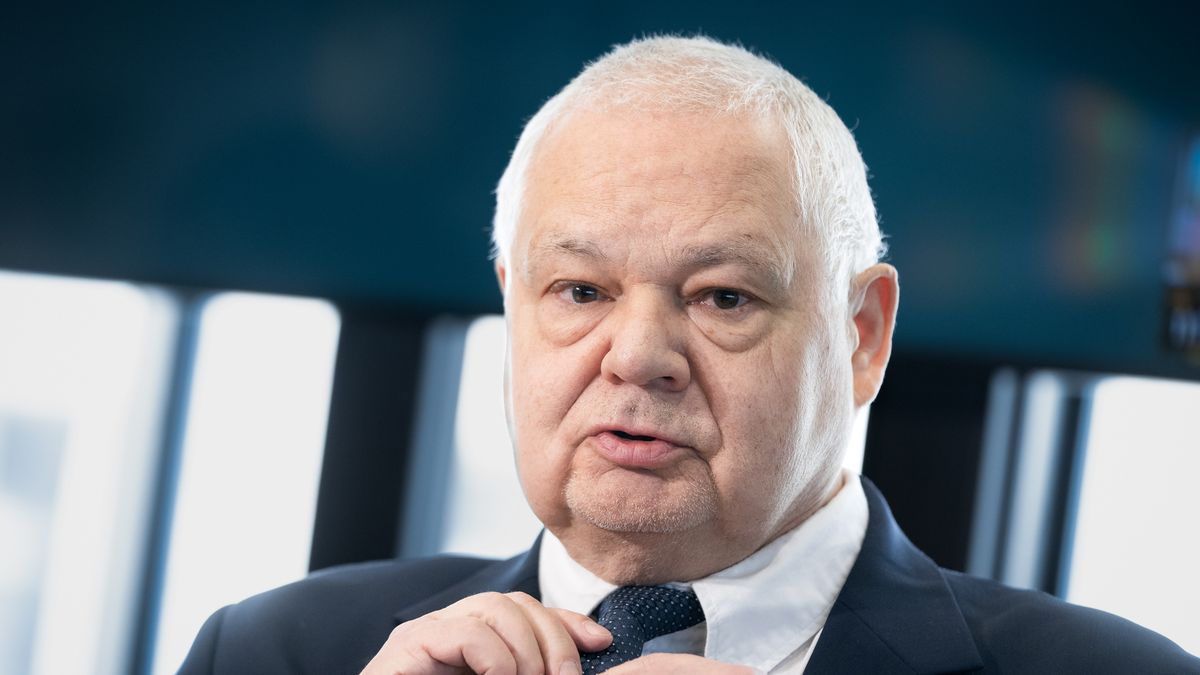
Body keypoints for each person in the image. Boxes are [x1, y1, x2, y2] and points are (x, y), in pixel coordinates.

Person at [179, 36, 1199, 674]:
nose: (638, 357)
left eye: (722, 296)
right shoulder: (277, 653)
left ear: (862, 336)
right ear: (513, 304)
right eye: (580, 291)